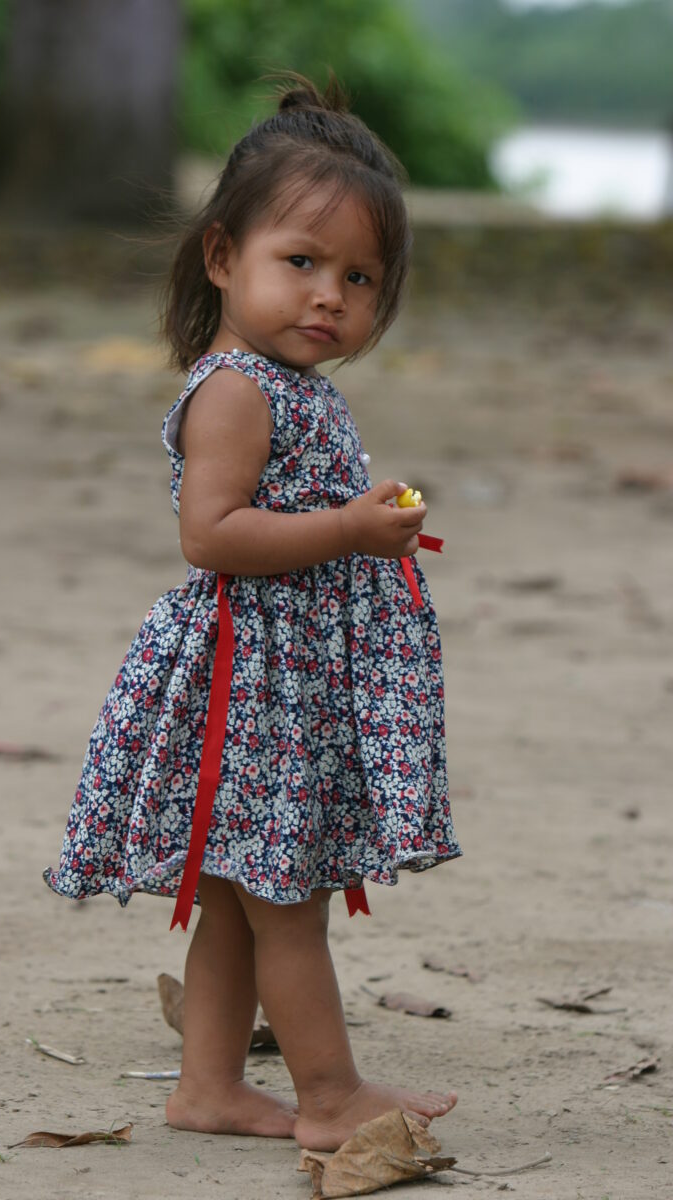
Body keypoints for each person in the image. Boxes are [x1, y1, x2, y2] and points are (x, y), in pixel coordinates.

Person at [44, 76, 461, 1152]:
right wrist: (346, 529)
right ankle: (328, 1097)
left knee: (239, 898)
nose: (329, 295)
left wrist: (366, 525)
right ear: (222, 257)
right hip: (253, 682)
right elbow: (212, 535)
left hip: (288, 681)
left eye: (358, 277)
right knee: (288, 902)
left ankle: (209, 1088)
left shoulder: (295, 384)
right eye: (301, 262)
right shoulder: (235, 388)